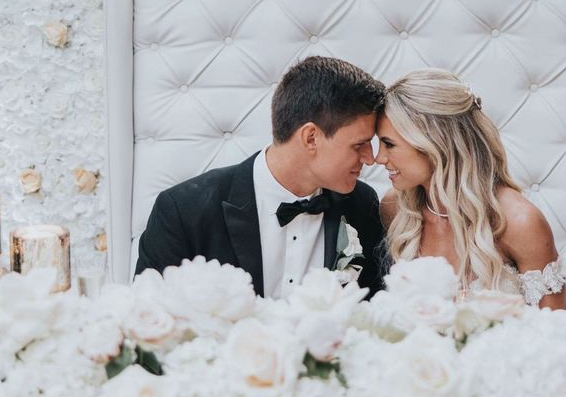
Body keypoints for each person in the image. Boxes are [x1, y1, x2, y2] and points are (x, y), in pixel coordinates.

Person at [135, 56, 387, 297]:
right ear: (311, 138)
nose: (370, 157)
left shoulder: (362, 205)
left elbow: (373, 311)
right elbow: (148, 323)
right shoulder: (184, 211)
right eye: (359, 145)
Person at [375, 68, 566, 309]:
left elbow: (554, 333)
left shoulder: (519, 222)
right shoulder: (396, 210)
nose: (378, 158)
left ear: (435, 142)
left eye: (389, 144)